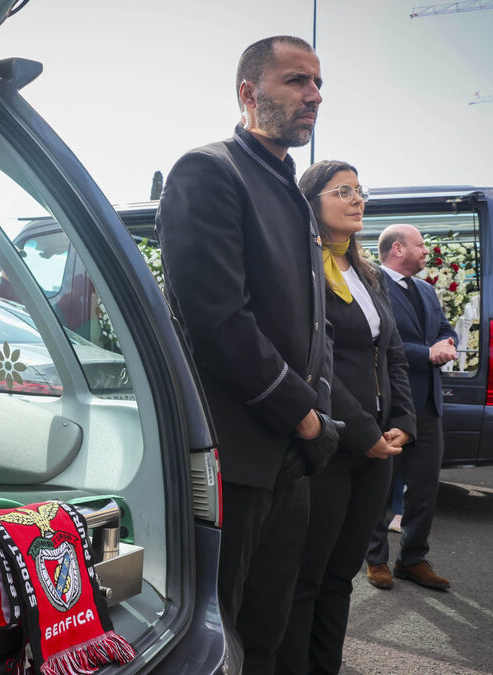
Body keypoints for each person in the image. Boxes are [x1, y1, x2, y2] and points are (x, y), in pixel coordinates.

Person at [156, 35, 339, 674]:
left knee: (268, 634)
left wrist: (317, 417)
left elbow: (313, 327)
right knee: (221, 641)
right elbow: (218, 322)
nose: (314, 96)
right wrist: (305, 416)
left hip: (290, 456)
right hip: (234, 458)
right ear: (248, 93)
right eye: (297, 81)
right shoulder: (209, 171)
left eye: (318, 84)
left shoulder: (288, 188)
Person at [278, 161, 416, 674]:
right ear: (310, 201)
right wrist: (363, 433)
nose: (357, 199)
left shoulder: (368, 273)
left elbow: (393, 354)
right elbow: (313, 364)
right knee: (307, 578)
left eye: (360, 191)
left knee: (342, 578)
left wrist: (404, 420)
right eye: (343, 191)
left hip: (379, 446)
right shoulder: (299, 269)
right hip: (331, 442)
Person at [365, 224, 458, 591]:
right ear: (398, 249)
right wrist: (426, 354)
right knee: (381, 486)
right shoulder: (371, 284)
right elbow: (375, 342)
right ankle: (376, 559)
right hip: (389, 403)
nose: (426, 251)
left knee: (425, 488)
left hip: (429, 406)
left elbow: (445, 329)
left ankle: (412, 558)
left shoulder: (427, 290)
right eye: (420, 245)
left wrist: (447, 343)